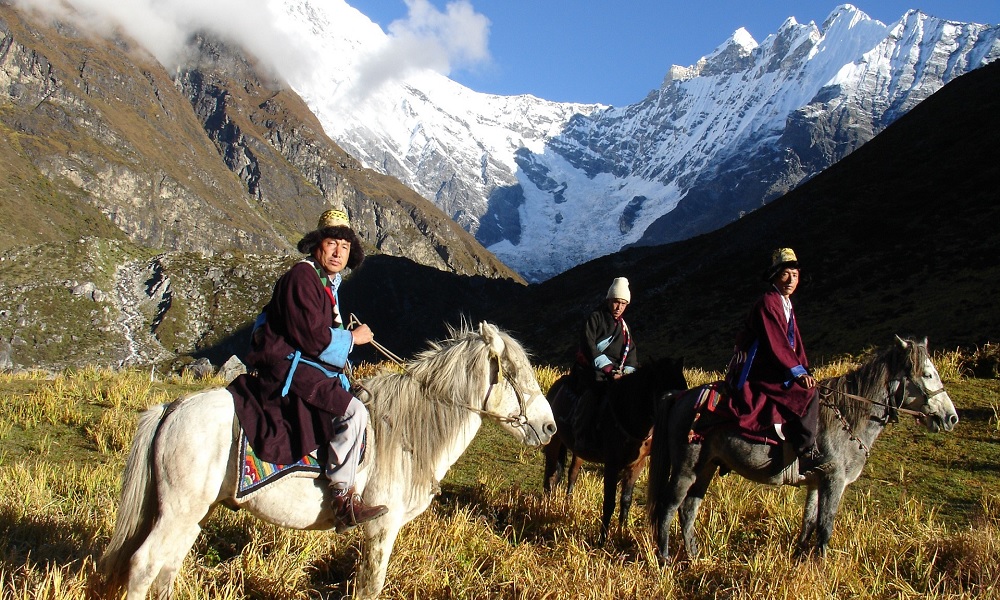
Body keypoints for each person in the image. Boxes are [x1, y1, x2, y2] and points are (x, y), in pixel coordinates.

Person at [228, 208, 388, 532]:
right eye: (332, 243)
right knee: (354, 412)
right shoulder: (302, 277)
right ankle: (343, 498)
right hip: (288, 367)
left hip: (301, 363)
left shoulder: (326, 284)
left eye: (344, 247)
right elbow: (313, 338)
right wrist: (354, 339)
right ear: (318, 245)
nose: (338, 252)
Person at [724, 248, 826, 479]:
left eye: (795, 275)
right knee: (806, 393)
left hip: (774, 363)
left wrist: (803, 368)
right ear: (774, 276)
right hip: (758, 368)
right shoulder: (768, 303)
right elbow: (776, 342)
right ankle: (805, 450)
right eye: (785, 274)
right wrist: (797, 373)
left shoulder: (784, 303)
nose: (791, 280)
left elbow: (794, 343)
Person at [566, 277, 639, 450]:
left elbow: (631, 353)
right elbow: (588, 344)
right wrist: (607, 368)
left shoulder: (624, 329)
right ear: (609, 300)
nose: (619, 307)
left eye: (623, 303)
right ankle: (580, 432)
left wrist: (626, 373)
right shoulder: (595, 318)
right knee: (593, 393)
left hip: (617, 373)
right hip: (592, 370)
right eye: (616, 302)